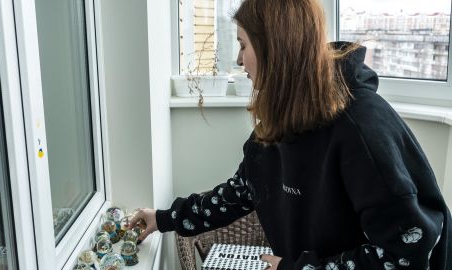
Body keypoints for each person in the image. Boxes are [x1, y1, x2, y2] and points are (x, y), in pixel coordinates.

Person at [130, 0, 452, 269]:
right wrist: (163, 218)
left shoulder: (363, 128)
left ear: (275, 48)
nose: (239, 59)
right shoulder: (279, 123)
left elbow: (407, 255)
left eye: (243, 45)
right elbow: (236, 195)